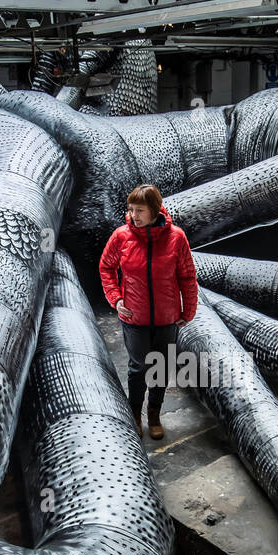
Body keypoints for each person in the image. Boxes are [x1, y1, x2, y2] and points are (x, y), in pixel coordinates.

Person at [99, 184, 198, 439]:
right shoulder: (121, 236)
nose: (134, 215)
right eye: (131, 210)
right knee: (138, 367)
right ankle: (135, 414)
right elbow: (106, 268)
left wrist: (189, 310)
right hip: (134, 317)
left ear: (154, 210)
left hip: (167, 318)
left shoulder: (176, 237)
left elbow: (187, 276)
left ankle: (154, 414)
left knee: (161, 368)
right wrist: (116, 299)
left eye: (140, 210)